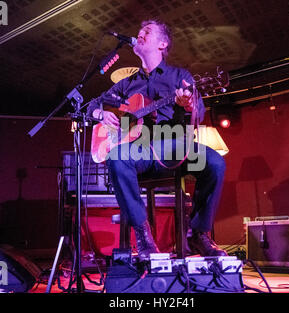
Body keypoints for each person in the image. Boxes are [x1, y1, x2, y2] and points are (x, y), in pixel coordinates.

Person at [87, 19, 227, 260]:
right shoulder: (127, 83)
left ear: (162, 43)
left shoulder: (179, 77)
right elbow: (92, 105)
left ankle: (199, 234)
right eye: (139, 32)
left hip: (173, 146)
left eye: (147, 32)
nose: (139, 35)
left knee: (215, 162)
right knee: (117, 158)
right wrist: (101, 114)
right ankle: (143, 235)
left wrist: (189, 103)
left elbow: (199, 114)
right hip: (139, 151)